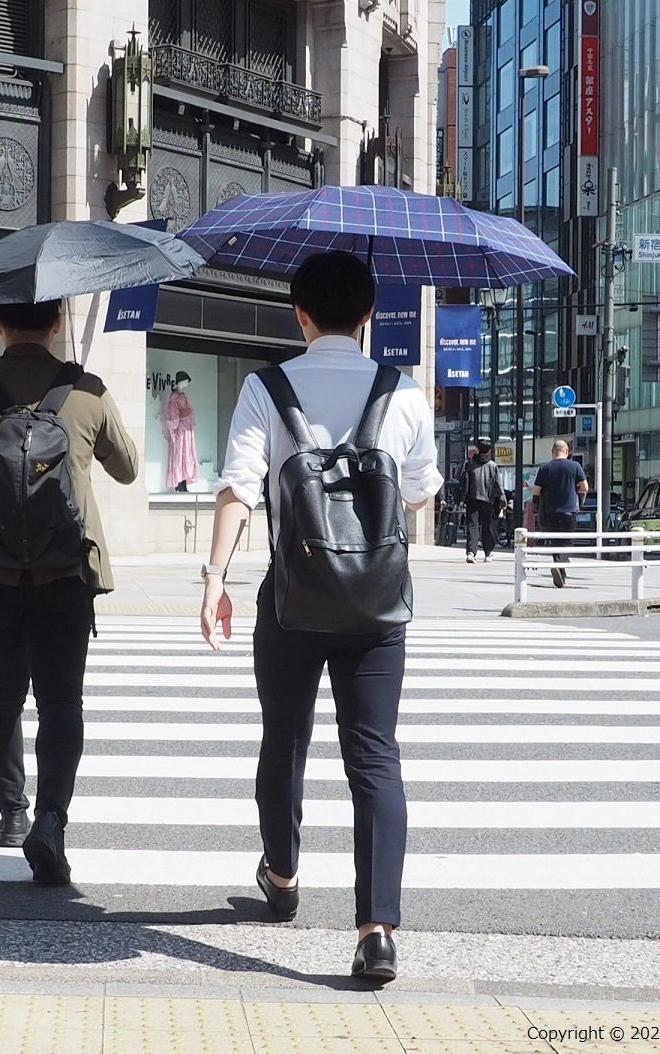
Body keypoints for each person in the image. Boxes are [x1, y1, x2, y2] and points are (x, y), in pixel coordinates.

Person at [199, 251, 443, 982]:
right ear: (368, 314)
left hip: (292, 598)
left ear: (298, 313)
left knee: (285, 739)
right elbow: (420, 495)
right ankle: (375, 929)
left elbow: (238, 490)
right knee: (374, 755)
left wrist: (214, 579)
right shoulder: (402, 391)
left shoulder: (264, 387)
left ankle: (280, 876)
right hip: (375, 602)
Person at [0, 298, 138, 886]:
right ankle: (51, 822)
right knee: (63, 700)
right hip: (68, 571)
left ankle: (13, 813)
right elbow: (130, 468)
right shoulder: (84, 388)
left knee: (3, 694)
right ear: (57, 324)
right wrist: (87, 398)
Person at [531, 438, 588, 589]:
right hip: (569, 511)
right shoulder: (575, 466)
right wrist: (579, 500)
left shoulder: (545, 468)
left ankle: (560, 570)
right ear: (567, 452)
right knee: (565, 543)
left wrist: (536, 505)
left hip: (550, 512)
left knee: (556, 542)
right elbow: (585, 487)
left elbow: (536, 490)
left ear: (552, 452)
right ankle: (560, 568)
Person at [461, 439, 506, 564]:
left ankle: (471, 552)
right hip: (488, 500)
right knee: (487, 526)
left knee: (472, 525)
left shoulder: (470, 463)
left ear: (477, 449)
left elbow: (464, 481)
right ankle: (488, 553)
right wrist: (502, 499)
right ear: (489, 450)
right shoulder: (492, 465)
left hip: (472, 498)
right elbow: (498, 484)